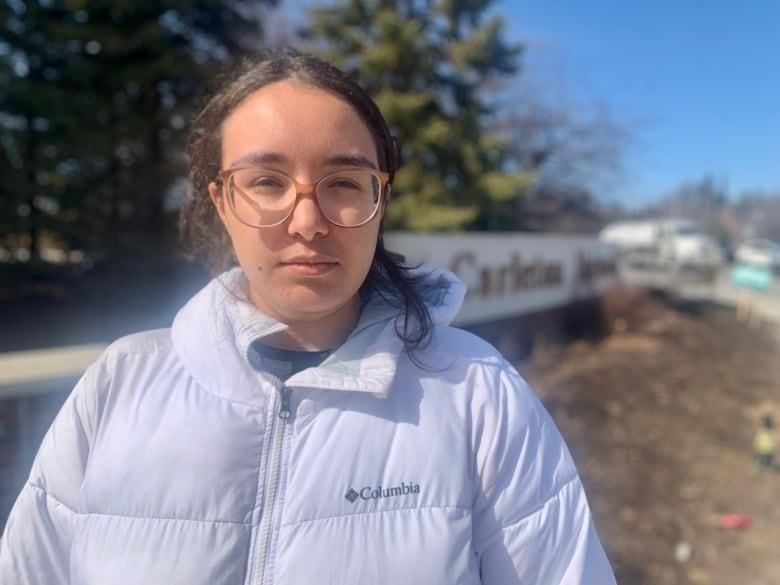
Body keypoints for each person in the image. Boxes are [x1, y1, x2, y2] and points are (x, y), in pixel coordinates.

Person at [0, 49, 616, 584]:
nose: (307, 220)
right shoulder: (119, 386)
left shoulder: (478, 394)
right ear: (221, 199)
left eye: (344, 182)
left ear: (380, 199)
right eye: (267, 180)